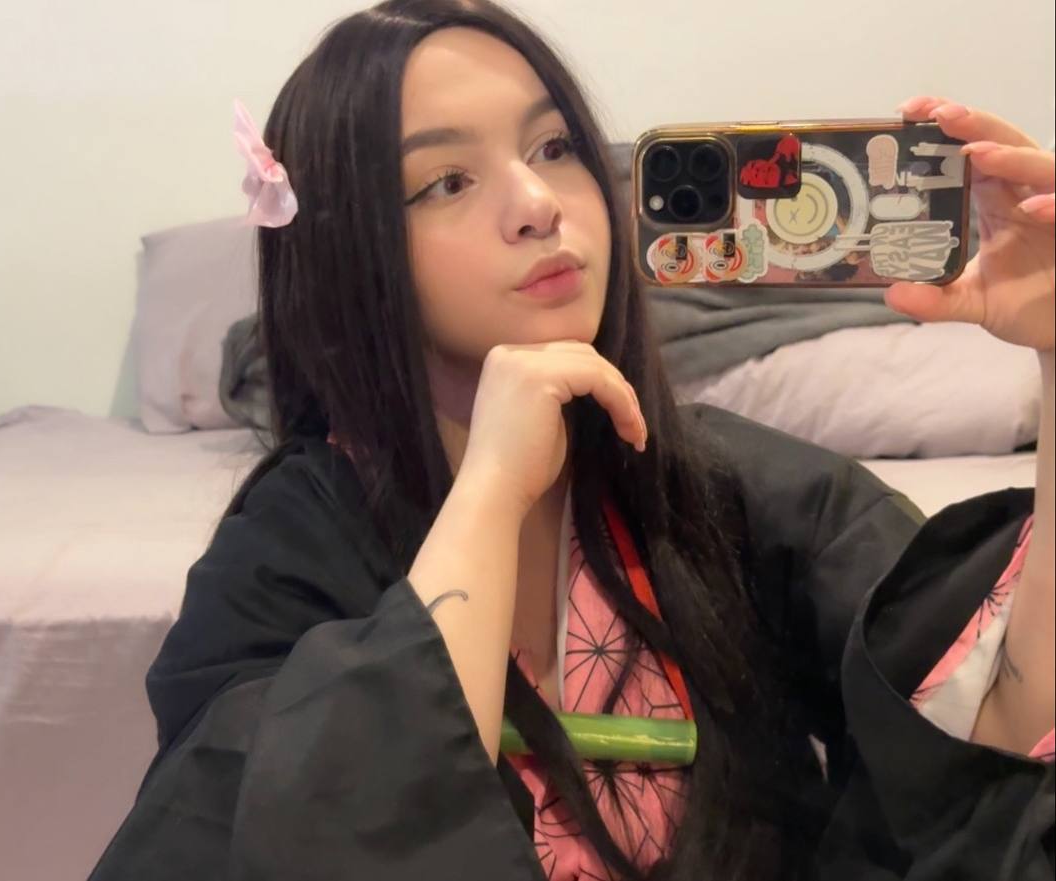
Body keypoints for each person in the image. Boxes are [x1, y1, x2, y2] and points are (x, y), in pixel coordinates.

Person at [89, 1, 1055, 878]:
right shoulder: (286, 550)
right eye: (447, 180)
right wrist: (490, 490)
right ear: (350, 249)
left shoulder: (730, 489)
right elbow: (292, 836)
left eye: (554, 147)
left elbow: (990, 746)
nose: (538, 203)